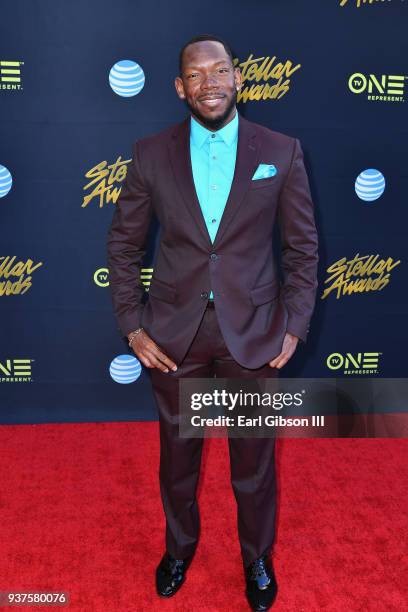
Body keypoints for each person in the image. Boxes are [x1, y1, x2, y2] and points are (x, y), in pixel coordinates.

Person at [106, 33, 318, 611]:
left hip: (254, 334)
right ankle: (179, 548)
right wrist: (132, 325)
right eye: (196, 75)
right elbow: (123, 247)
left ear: (237, 78)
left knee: (253, 459)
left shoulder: (283, 149)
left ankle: (257, 558)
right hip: (174, 335)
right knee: (178, 457)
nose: (209, 83)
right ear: (180, 87)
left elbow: (302, 249)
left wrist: (294, 324)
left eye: (219, 70)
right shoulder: (151, 153)